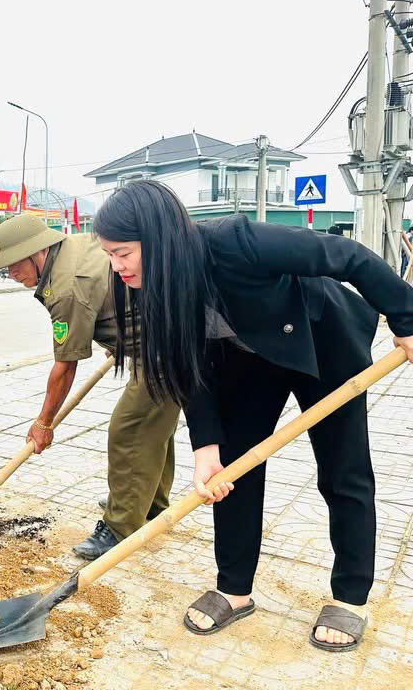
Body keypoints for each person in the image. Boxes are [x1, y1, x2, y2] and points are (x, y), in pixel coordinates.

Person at [92, 179, 413, 652]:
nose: (116, 267)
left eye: (123, 253)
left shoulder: (235, 241)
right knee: (232, 470)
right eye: (109, 255)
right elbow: (187, 365)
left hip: (320, 339)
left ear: (158, 239)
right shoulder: (149, 284)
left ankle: (350, 597)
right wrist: (206, 446)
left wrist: (406, 319)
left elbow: (348, 256)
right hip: (247, 356)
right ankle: (234, 589)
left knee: (343, 471)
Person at [0, 215, 178, 560]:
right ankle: (145, 501)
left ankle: (120, 526)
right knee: (152, 426)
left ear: (38, 251)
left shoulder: (66, 286)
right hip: (158, 335)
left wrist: (43, 423)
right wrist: (116, 336)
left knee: (130, 429)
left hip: (165, 349)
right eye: (5, 268)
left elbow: (65, 367)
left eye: (15, 264)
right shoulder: (71, 248)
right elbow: (109, 298)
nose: (11, 273)